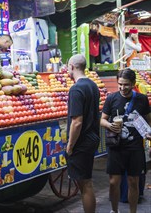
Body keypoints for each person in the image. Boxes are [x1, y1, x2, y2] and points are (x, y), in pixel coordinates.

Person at [100, 68, 151, 213]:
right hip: (116, 148)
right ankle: (114, 210)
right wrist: (110, 125)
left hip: (135, 148)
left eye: (126, 84)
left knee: (133, 182)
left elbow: (149, 122)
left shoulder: (141, 99)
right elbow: (102, 120)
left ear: (133, 83)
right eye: (120, 84)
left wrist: (149, 135)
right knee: (113, 182)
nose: (122, 88)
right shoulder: (111, 98)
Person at [66, 54, 100, 213]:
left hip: (81, 142)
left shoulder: (76, 89)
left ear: (72, 67)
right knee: (86, 183)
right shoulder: (93, 85)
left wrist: (70, 145)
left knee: (85, 185)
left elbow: (77, 122)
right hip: (92, 138)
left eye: (67, 67)